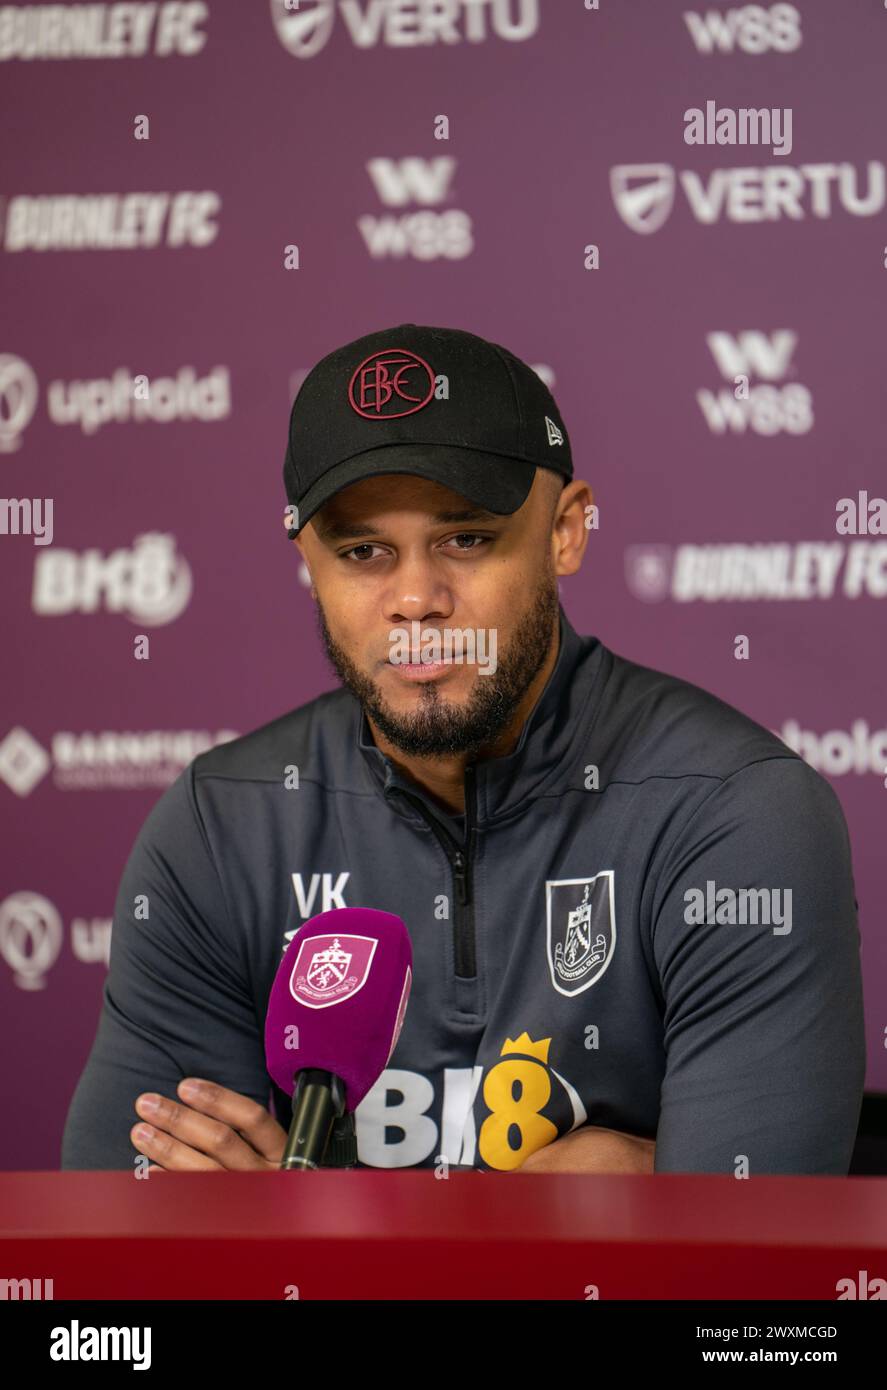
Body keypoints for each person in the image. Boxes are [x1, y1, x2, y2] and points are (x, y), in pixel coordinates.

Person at [61, 323, 866, 1174]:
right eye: (362, 550)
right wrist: (546, 1225)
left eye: (466, 539)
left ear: (565, 530)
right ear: (305, 559)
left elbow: (738, 1293)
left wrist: (277, 1239)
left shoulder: (736, 815)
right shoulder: (221, 828)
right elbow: (129, 1271)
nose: (414, 599)